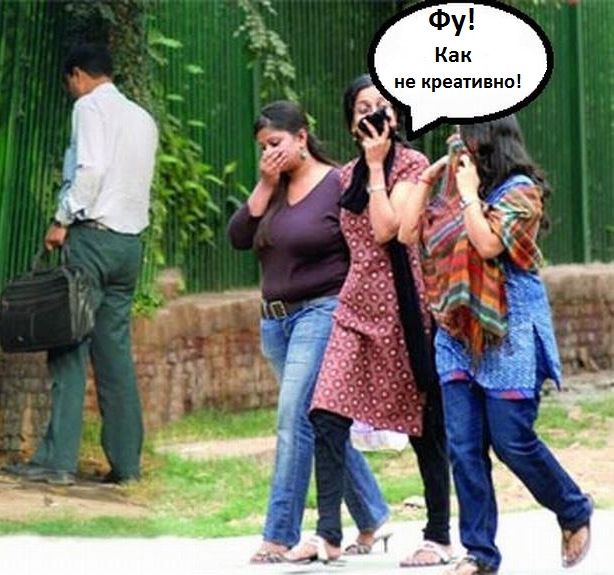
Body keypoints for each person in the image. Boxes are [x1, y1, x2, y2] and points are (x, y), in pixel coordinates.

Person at [398, 116, 593, 575]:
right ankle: (480, 553)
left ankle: (572, 509)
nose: (457, 143)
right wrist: (428, 179)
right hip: (455, 331)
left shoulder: (522, 193)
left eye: (464, 134)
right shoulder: (452, 192)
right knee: (464, 448)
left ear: (489, 140)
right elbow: (407, 233)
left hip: (509, 333)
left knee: (511, 441)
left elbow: (487, 245)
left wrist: (468, 195)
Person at [284, 75, 452, 566]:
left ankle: (439, 535)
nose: (373, 114)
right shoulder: (343, 177)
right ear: (351, 122)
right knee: (325, 412)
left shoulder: (413, 165)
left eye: (381, 105)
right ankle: (329, 533)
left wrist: (377, 166)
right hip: (355, 307)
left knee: (424, 424)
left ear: (396, 116)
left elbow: (387, 229)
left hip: (403, 310)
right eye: (362, 108)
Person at [227, 100, 390, 564]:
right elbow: (238, 237)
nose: (269, 153)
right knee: (318, 422)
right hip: (275, 321)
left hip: (321, 312)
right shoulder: (273, 188)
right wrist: (265, 183)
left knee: (293, 417)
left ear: (301, 137)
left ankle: (278, 535)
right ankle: (373, 514)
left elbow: (367, 248)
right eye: (262, 147)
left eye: (276, 143)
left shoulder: (337, 182)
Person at [3, 43, 158, 486]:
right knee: (115, 355)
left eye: (70, 82)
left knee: (68, 346)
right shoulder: (142, 118)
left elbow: (90, 170)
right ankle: (126, 465)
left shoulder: (89, 108)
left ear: (77, 75)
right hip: (129, 245)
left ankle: (57, 462)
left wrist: (61, 219)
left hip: (91, 238)